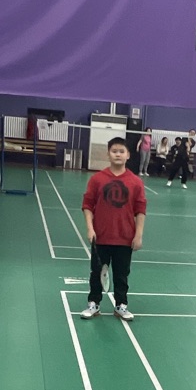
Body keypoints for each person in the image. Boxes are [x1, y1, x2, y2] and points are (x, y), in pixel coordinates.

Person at [79, 136, 146, 321]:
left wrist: (138, 235)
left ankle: (121, 306)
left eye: (121, 151)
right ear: (108, 154)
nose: (118, 154)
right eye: (114, 151)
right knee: (96, 273)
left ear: (128, 155)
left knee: (122, 275)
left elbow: (140, 210)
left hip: (125, 238)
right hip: (100, 237)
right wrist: (90, 229)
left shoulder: (135, 182)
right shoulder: (97, 179)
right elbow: (87, 205)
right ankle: (94, 304)